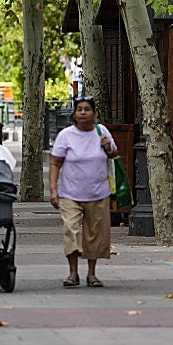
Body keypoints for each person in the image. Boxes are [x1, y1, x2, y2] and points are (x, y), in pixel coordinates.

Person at [49, 96, 117, 288]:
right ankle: (72, 273)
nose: (83, 112)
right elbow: (55, 163)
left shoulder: (101, 131)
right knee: (71, 229)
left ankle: (91, 274)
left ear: (94, 113)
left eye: (87, 109)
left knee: (94, 234)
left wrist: (108, 147)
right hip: (70, 193)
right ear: (74, 113)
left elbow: (114, 155)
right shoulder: (66, 136)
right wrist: (54, 191)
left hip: (98, 193)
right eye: (79, 109)